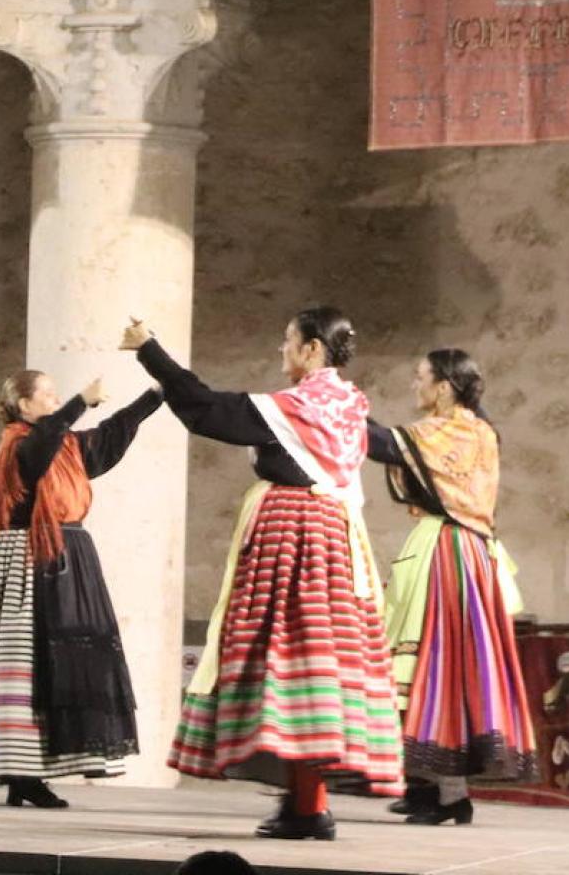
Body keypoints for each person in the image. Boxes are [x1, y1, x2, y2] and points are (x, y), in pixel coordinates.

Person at [124, 308, 400, 841]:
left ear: (313, 349)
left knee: (284, 657)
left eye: (288, 341)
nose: (282, 350)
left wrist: (149, 350)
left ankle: (307, 806)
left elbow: (208, 411)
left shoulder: (301, 407)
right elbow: (388, 448)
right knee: (316, 663)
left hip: (294, 538)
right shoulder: (348, 406)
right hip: (338, 541)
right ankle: (305, 803)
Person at [0, 369, 162, 808]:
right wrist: (80, 400)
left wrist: (154, 396)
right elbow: (41, 450)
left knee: (62, 666)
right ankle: (21, 774)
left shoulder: (66, 446)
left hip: (67, 554)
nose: (56, 401)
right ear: (24, 406)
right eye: (48, 394)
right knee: (27, 665)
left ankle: (34, 774)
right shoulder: (19, 443)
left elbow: (109, 438)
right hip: (27, 557)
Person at [366, 349, 534, 825]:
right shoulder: (475, 427)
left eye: (421, 378)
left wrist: (336, 407)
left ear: (444, 386)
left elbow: (385, 444)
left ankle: (450, 795)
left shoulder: (456, 431)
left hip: (451, 554)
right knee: (422, 670)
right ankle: (425, 787)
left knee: (440, 666)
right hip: (457, 549)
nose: (415, 386)